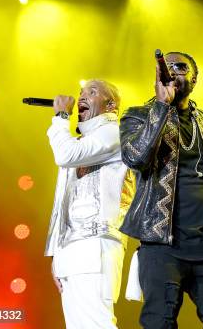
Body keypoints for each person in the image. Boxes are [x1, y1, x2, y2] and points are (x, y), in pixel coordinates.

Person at [119, 52, 203, 329]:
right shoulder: (137, 116)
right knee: (159, 323)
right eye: (166, 67)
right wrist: (161, 106)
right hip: (162, 245)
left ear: (194, 79)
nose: (172, 71)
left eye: (180, 67)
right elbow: (135, 157)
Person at [45, 79, 134, 329]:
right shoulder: (82, 141)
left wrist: (62, 116)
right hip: (75, 250)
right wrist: (59, 256)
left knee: (97, 323)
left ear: (110, 105)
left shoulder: (113, 131)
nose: (82, 97)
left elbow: (65, 155)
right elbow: (65, 207)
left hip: (97, 246)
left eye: (91, 93)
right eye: (81, 93)